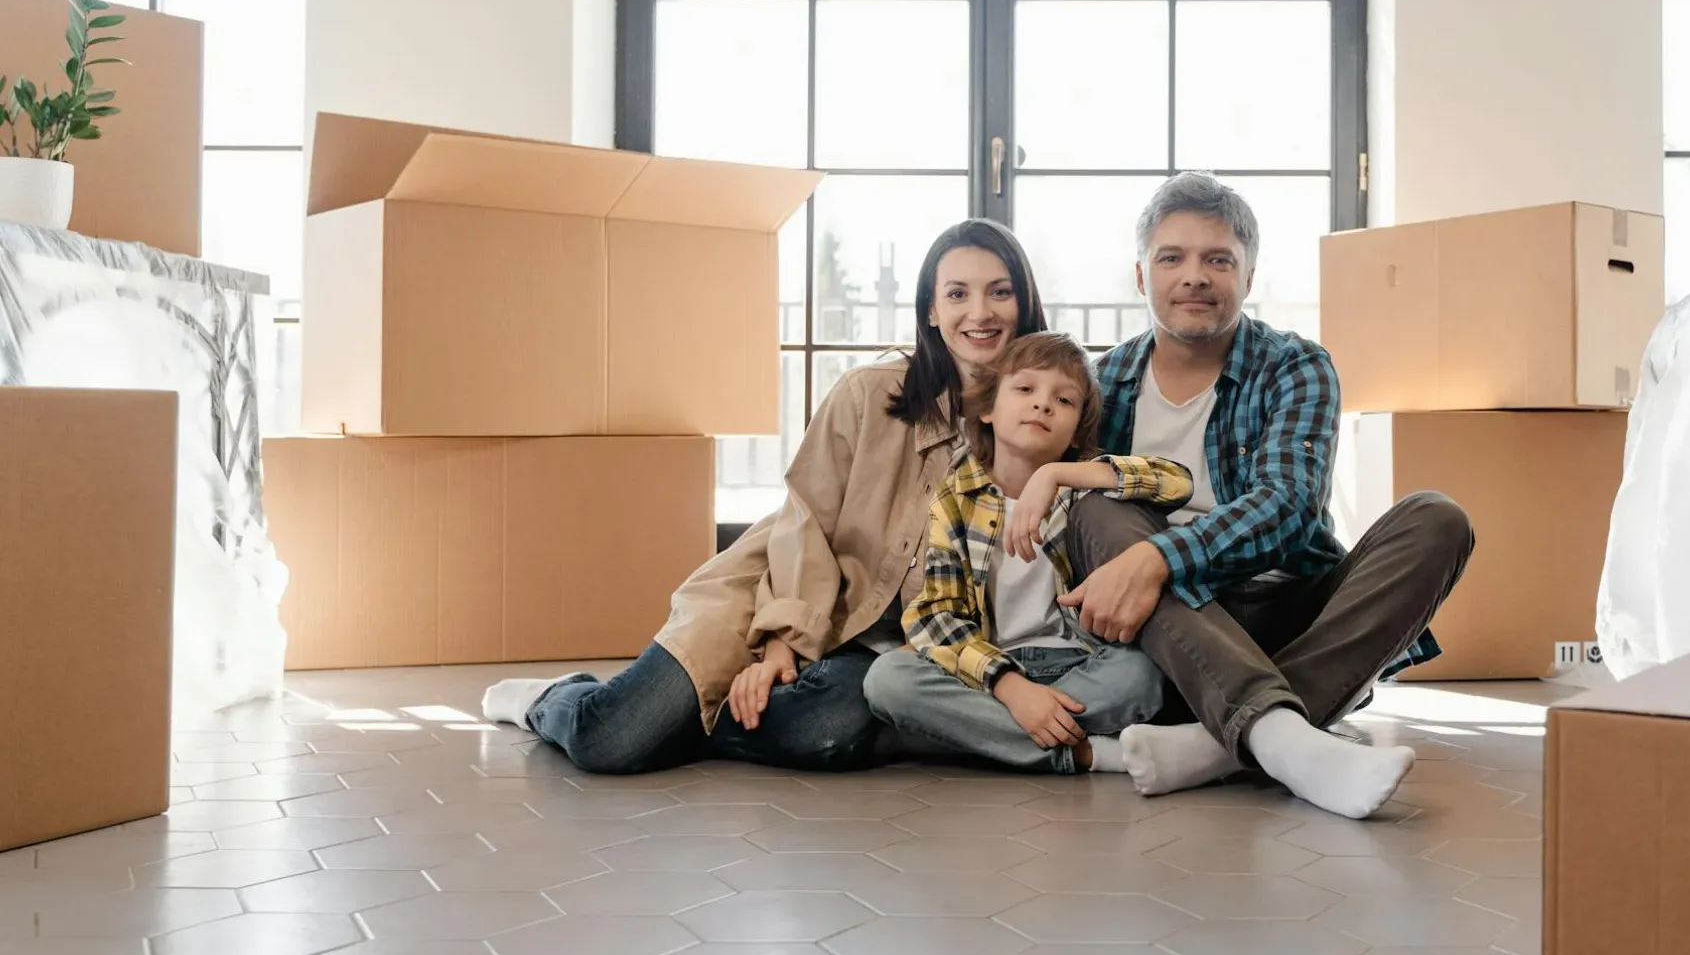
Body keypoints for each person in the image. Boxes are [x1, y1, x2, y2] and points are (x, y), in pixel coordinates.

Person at [479, 220, 1046, 774]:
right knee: (610, 740)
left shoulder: (1043, 416)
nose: (980, 312)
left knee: (827, 732)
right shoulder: (869, 394)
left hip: (875, 652)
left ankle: (685, 724)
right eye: (957, 293)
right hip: (772, 595)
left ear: (1023, 302)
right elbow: (807, 522)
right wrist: (782, 646)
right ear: (930, 310)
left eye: (1000, 292)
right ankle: (553, 699)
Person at [1062, 173, 1477, 819]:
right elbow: (1077, 530)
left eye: (1218, 259)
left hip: (1285, 605)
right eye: (1172, 257)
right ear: (1142, 277)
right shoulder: (1099, 383)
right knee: (1094, 505)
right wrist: (1145, 564)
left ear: (1248, 278)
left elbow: (1288, 508)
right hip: (1171, 626)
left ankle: (1220, 743)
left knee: (1438, 519)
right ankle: (1284, 738)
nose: (1194, 275)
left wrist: (1160, 558)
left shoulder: (1295, 365)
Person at [863, 333, 1190, 776]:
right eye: (1025, 389)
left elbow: (1176, 482)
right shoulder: (955, 499)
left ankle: (983, 737)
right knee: (889, 679)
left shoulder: (1082, 490)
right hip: (991, 669)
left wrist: (1057, 474)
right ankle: (1087, 753)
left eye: (1064, 400)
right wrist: (1012, 688)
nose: (1043, 405)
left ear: (1077, 429)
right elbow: (935, 614)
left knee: (1142, 674)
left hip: (1081, 662)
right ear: (987, 409)